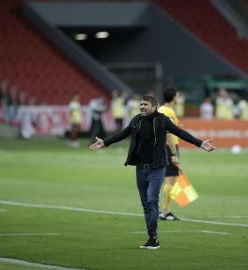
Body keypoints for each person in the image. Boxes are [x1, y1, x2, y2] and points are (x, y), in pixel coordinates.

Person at [90, 95, 215, 250]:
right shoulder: (136, 120)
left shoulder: (162, 120)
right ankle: (151, 238)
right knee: (146, 205)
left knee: (151, 200)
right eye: (140, 104)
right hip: (140, 168)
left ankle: (154, 239)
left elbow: (179, 132)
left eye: (145, 104)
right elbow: (123, 133)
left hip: (157, 167)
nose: (141, 106)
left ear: (153, 107)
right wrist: (105, 142)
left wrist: (200, 143)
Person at [158, 87, 182, 221]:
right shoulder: (168, 112)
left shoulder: (161, 110)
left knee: (167, 178)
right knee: (170, 179)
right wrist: (174, 153)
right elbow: (169, 135)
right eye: (177, 96)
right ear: (173, 98)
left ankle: (163, 210)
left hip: (161, 147)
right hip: (169, 147)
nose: (178, 98)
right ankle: (164, 211)